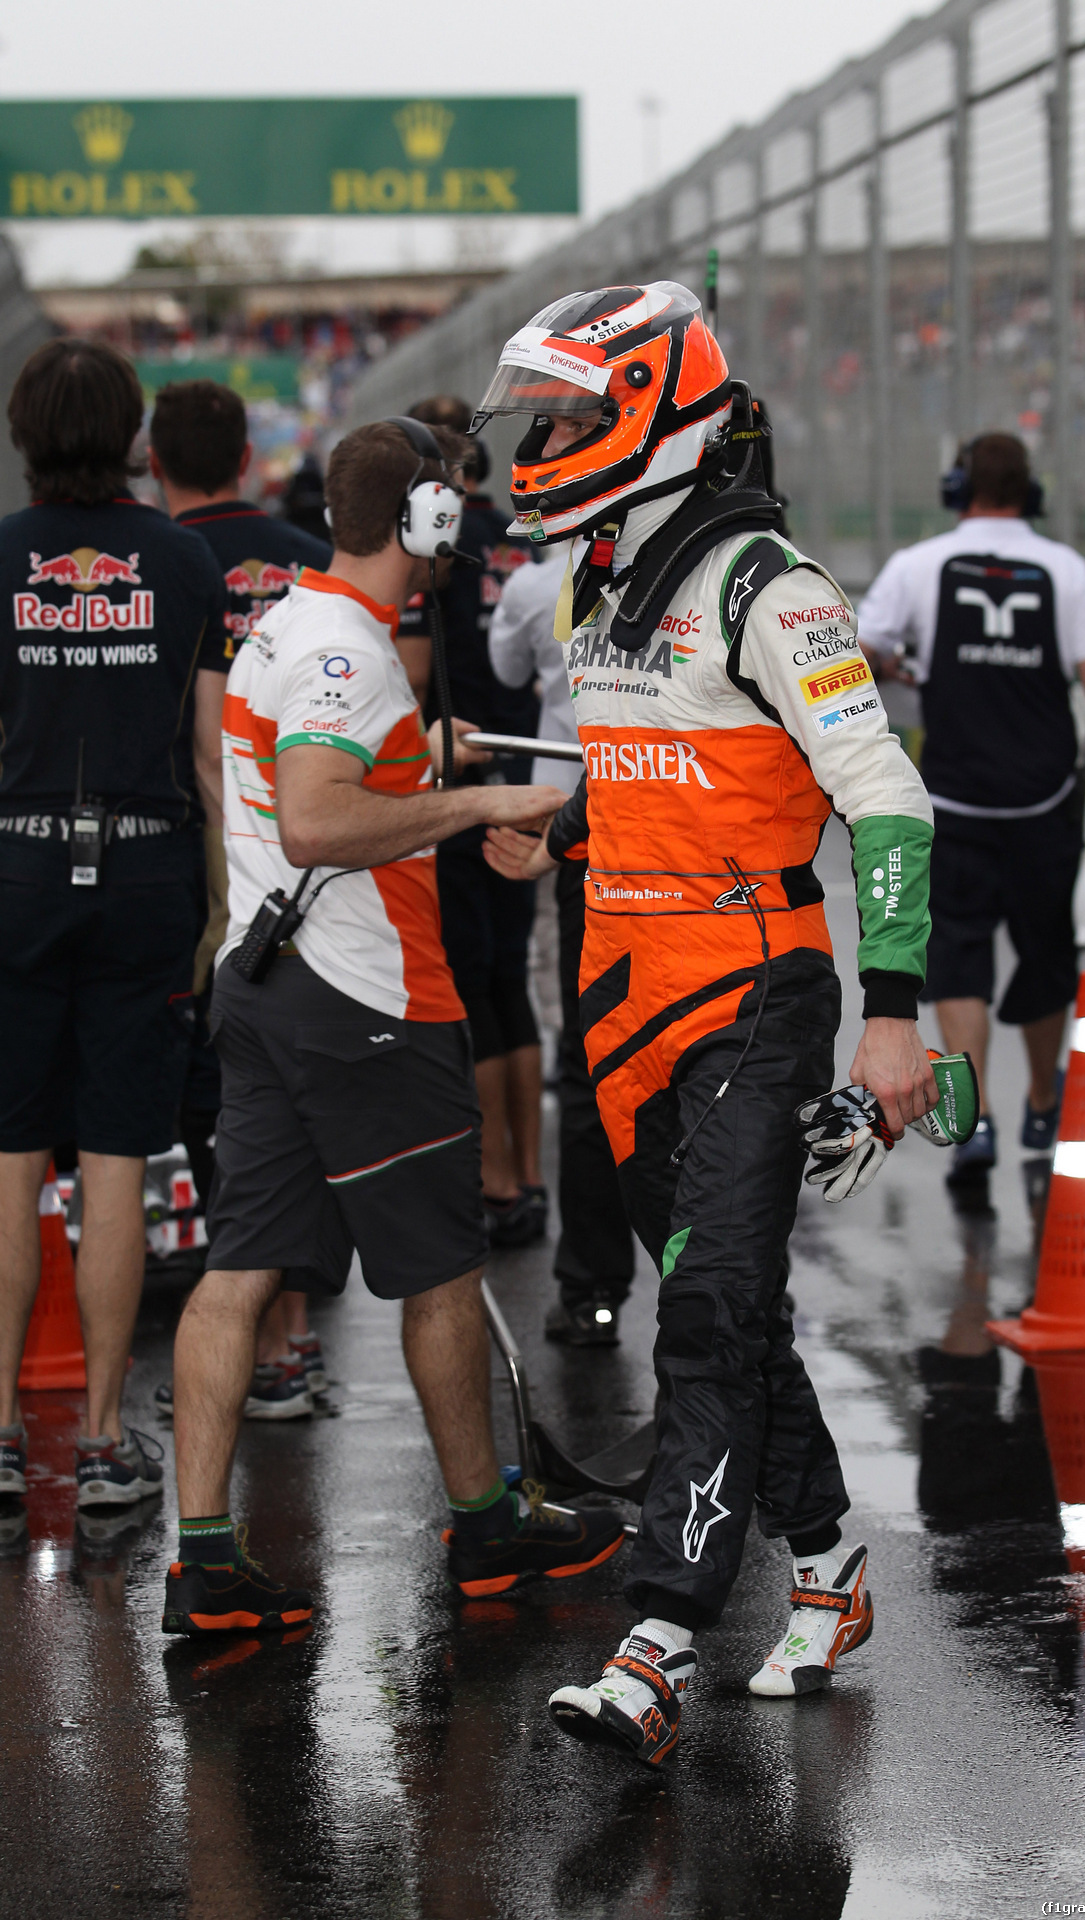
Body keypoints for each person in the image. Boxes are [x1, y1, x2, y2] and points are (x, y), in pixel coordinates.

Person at [478, 281, 937, 1765]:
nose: (539, 442)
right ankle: (831, 1569)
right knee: (733, 1313)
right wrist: (571, 820)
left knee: (715, 1312)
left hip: (755, 992)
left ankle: (659, 1638)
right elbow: (664, 755)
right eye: (536, 416)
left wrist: (898, 1021)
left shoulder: (769, 586)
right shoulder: (587, 577)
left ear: (654, 412)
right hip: (621, 999)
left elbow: (884, 798)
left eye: (566, 416)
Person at [162, 417, 623, 1635]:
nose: (462, 528)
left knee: (237, 1269)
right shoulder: (350, 654)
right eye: (454, 507)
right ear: (421, 520)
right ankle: (485, 1523)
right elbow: (314, 823)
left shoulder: (285, 626)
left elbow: (301, 776)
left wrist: (421, 761)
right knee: (438, 1272)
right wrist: (477, 800)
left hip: (262, 993)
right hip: (364, 998)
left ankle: (201, 1559)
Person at [0, 339, 227, 1511]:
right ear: (131, 433)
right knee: (115, 1163)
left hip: (19, 874)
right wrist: (230, 902)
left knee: (7, 1158)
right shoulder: (184, 564)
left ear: (24, 432)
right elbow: (208, 752)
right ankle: (96, 1437)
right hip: (145, 879)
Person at [855, 432, 1085, 1179]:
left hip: (955, 798)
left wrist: (899, 669)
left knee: (959, 954)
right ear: (1033, 493)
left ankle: (981, 1116)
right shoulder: (1064, 569)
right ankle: (1041, 1106)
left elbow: (858, 643)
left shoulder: (918, 565)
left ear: (958, 489)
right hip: (1042, 802)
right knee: (1048, 954)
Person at [149, 377, 332, 1417]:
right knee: (294, 1095)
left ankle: (252, 1344)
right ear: (247, 459)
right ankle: (293, 1339)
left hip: (206, 862)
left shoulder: (165, 560)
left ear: (158, 461)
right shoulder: (309, 559)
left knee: (225, 1104)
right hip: (315, 854)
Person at [407, 398, 546, 1249]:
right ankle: (528, 1169)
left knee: (473, 983)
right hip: (528, 772)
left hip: (461, 774)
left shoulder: (437, 548)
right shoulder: (527, 535)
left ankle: (495, 1180)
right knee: (510, 982)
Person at [488, 553, 635, 1345]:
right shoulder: (725, 569)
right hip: (617, 841)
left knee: (595, 1068)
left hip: (595, 839)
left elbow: (505, 667)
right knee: (613, 1069)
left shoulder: (545, 582)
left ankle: (592, 1292)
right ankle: (723, 1293)